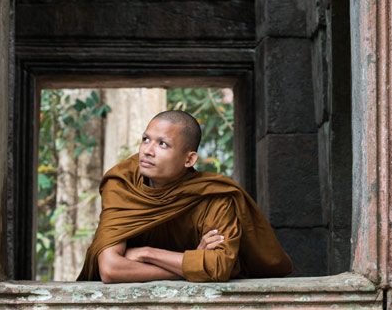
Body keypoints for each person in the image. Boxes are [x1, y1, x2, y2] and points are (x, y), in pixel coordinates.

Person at [78, 110, 292, 283]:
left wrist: (146, 254)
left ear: (189, 159)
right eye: (145, 139)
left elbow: (218, 266)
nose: (147, 151)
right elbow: (110, 269)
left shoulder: (214, 197)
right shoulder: (123, 183)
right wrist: (192, 265)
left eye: (162, 144)